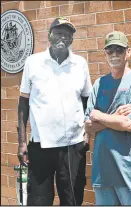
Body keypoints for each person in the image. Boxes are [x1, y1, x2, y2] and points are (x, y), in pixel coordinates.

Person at [17, 17, 92, 205]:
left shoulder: (80, 64)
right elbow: (23, 104)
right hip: (41, 144)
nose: (63, 38)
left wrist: (87, 134)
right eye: (58, 33)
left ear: (72, 39)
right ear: (49, 36)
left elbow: (87, 101)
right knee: (39, 200)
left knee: (72, 199)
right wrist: (21, 142)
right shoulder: (33, 62)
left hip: (73, 145)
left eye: (68, 34)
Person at [84, 31, 131, 205]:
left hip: (130, 173)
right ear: (105, 53)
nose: (114, 54)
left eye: (119, 50)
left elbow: (129, 124)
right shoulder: (99, 84)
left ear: (128, 52)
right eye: (110, 50)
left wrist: (99, 115)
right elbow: (87, 126)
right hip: (103, 173)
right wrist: (115, 118)